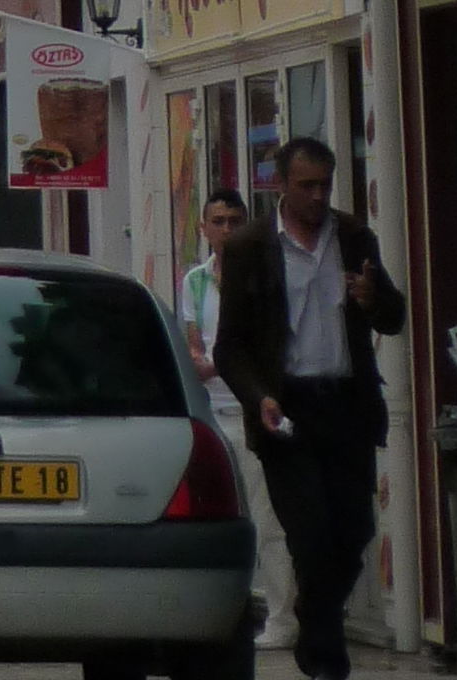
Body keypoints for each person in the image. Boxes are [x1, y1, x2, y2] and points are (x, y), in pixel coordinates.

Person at [213, 136, 406, 680]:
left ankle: (311, 612)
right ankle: (326, 662)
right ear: (280, 184)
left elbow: (394, 316)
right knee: (311, 536)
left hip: (346, 406)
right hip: (287, 412)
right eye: (307, 186)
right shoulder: (251, 246)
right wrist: (260, 397)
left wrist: (374, 300)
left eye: (325, 185)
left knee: (353, 533)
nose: (318, 197)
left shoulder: (352, 236)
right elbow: (229, 346)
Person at [179, 188, 297, 652]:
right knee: (227, 518)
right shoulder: (196, 281)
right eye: (219, 221)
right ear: (203, 228)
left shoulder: (267, 274)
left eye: (235, 220)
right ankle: (234, 607)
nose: (227, 229)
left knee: (269, 521)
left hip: (256, 410)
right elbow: (194, 342)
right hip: (214, 412)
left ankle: (284, 617)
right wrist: (200, 361)